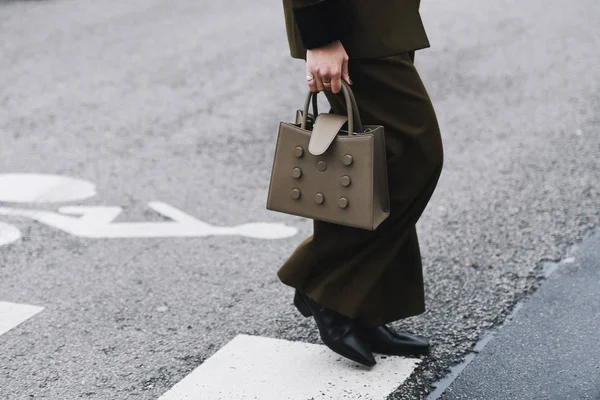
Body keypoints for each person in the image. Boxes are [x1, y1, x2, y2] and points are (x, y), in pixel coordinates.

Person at [278, 0, 444, 367]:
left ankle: (364, 307)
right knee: (415, 155)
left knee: (380, 164)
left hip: (382, 18)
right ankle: (324, 283)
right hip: (352, 20)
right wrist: (320, 35)